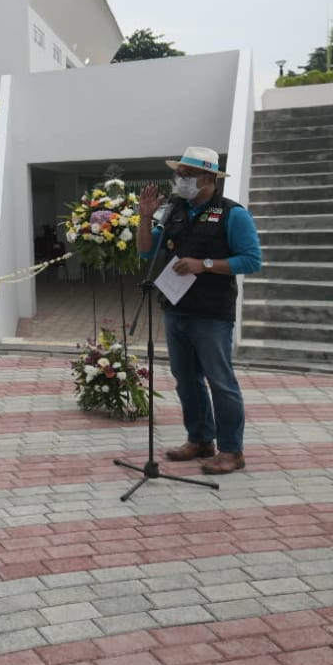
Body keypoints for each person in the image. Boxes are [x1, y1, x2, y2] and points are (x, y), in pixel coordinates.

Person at [136, 146, 263, 476]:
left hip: (211, 312)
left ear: (209, 178)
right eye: (179, 174)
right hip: (176, 308)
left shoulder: (232, 214)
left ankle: (232, 450)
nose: (181, 180)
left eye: (188, 175)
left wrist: (204, 265)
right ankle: (200, 439)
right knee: (186, 380)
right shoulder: (175, 209)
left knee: (220, 381)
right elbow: (147, 253)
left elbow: (252, 260)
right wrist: (146, 217)